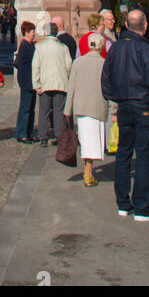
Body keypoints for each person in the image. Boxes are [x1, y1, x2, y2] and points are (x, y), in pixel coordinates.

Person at [102, 8, 149, 220]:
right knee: (144, 156)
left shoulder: (115, 48)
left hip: (124, 107)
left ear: (127, 26)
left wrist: (115, 98)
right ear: (146, 26)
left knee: (123, 154)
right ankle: (141, 205)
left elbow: (106, 79)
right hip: (145, 107)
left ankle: (122, 203)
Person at [63, 30, 107, 186]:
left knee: (87, 139)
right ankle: (88, 173)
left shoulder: (78, 62)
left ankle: (88, 170)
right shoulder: (104, 64)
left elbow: (71, 87)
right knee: (93, 140)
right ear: (101, 47)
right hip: (98, 106)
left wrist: (67, 110)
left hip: (81, 107)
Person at [31, 12, 72, 146]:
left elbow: (35, 66)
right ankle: (59, 136)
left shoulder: (40, 47)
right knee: (58, 111)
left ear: (46, 32)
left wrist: (36, 84)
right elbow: (69, 65)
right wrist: (65, 78)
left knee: (44, 111)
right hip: (60, 83)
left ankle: (43, 136)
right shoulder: (63, 47)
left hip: (45, 84)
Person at [14, 21, 37, 142]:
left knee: (31, 109)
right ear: (26, 33)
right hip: (27, 81)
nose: (34, 34)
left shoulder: (30, 45)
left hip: (31, 82)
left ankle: (29, 132)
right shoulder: (25, 46)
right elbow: (24, 66)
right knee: (25, 108)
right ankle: (22, 133)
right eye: (32, 31)